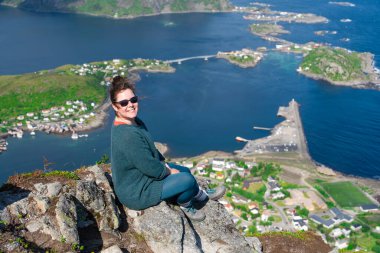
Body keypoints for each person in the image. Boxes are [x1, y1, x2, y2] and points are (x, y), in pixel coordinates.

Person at [110, 76, 225, 221]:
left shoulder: (134, 122)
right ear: (115, 106)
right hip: (136, 191)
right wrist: (168, 171)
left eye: (133, 100)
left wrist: (165, 165)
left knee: (185, 171)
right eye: (124, 102)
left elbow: (149, 151)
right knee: (187, 180)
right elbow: (148, 166)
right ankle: (186, 204)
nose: (130, 105)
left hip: (142, 177)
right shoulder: (127, 135)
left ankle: (200, 195)